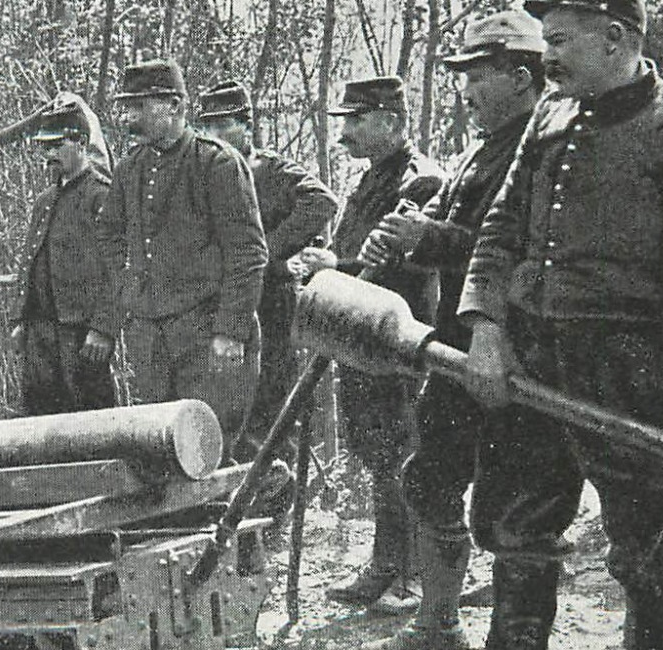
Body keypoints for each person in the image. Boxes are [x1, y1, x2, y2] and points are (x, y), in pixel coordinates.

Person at [411, 0, 663, 650]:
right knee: (520, 522)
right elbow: (499, 228)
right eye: (546, 40)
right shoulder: (551, 117)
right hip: (536, 359)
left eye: (560, 40)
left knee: (645, 552)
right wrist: (486, 324)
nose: (549, 56)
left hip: (630, 370)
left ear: (615, 39)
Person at [354, 10, 557, 650]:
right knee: (427, 477)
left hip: (513, 355)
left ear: (521, 78)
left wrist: (426, 238)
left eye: (476, 76)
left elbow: (523, 258)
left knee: (509, 513)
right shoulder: (482, 147)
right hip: (454, 348)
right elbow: (459, 243)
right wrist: (412, 236)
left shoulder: (544, 148)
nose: (463, 91)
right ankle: (437, 624)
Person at [302, 77, 445, 613]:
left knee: (402, 454)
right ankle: (385, 565)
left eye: (356, 120)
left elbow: (402, 270)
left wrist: (337, 268)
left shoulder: (420, 182)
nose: (345, 133)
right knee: (374, 451)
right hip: (359, 338)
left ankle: (410, 576)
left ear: (391, 120)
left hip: (398, 340)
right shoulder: (372, 180)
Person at [97, 58, 269, 461]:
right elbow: (109, 234)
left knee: (209, 455)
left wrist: (230, 330)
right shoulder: (129, 169)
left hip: (207, 337)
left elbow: (248, 253)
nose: (130, 117)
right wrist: (129, 288)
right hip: (152, 339)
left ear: (174, 105)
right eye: (128, 107)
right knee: (162, 454)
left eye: (140, 106)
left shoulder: (217, 163)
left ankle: (240, 524)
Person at [194, 80, 338, 463]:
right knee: (223, 406)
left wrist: (267, 254)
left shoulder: (270, 170)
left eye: (223, 125)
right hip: (221, 304)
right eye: (206, 126)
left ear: (246, 125)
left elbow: (322, 202)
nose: (214, 135)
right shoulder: (203, 173)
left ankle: (274, 504)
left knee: (270, 404)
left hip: (271, 301)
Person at [12, 95, 118, 415]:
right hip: (40, 334)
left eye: (58, 145)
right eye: (45, 147)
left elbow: (119, 271)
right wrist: (21, 320)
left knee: (91, 421)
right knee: (40, 420)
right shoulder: (44, 201)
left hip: (82, 336)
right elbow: (31, 261)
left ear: (82, 143)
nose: (49, 155)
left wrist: (103, 328)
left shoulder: (103, 195)